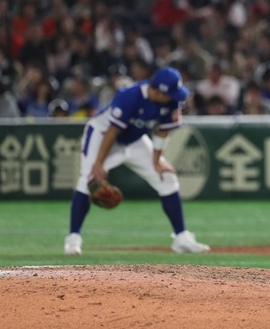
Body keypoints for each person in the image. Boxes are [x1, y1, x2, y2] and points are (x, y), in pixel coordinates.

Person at [63, 67, 210, 255]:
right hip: (103, 135)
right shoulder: (130, 96)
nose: (175, 97)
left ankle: (181, 238)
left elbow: (162, 131)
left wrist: (157, 161)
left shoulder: (171, 102)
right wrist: (99, 164)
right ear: (157, 90)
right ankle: (73, 239)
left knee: (165, 177)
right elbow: (112, 131)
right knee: (88, 180)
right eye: (170, 93)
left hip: (134, 140)